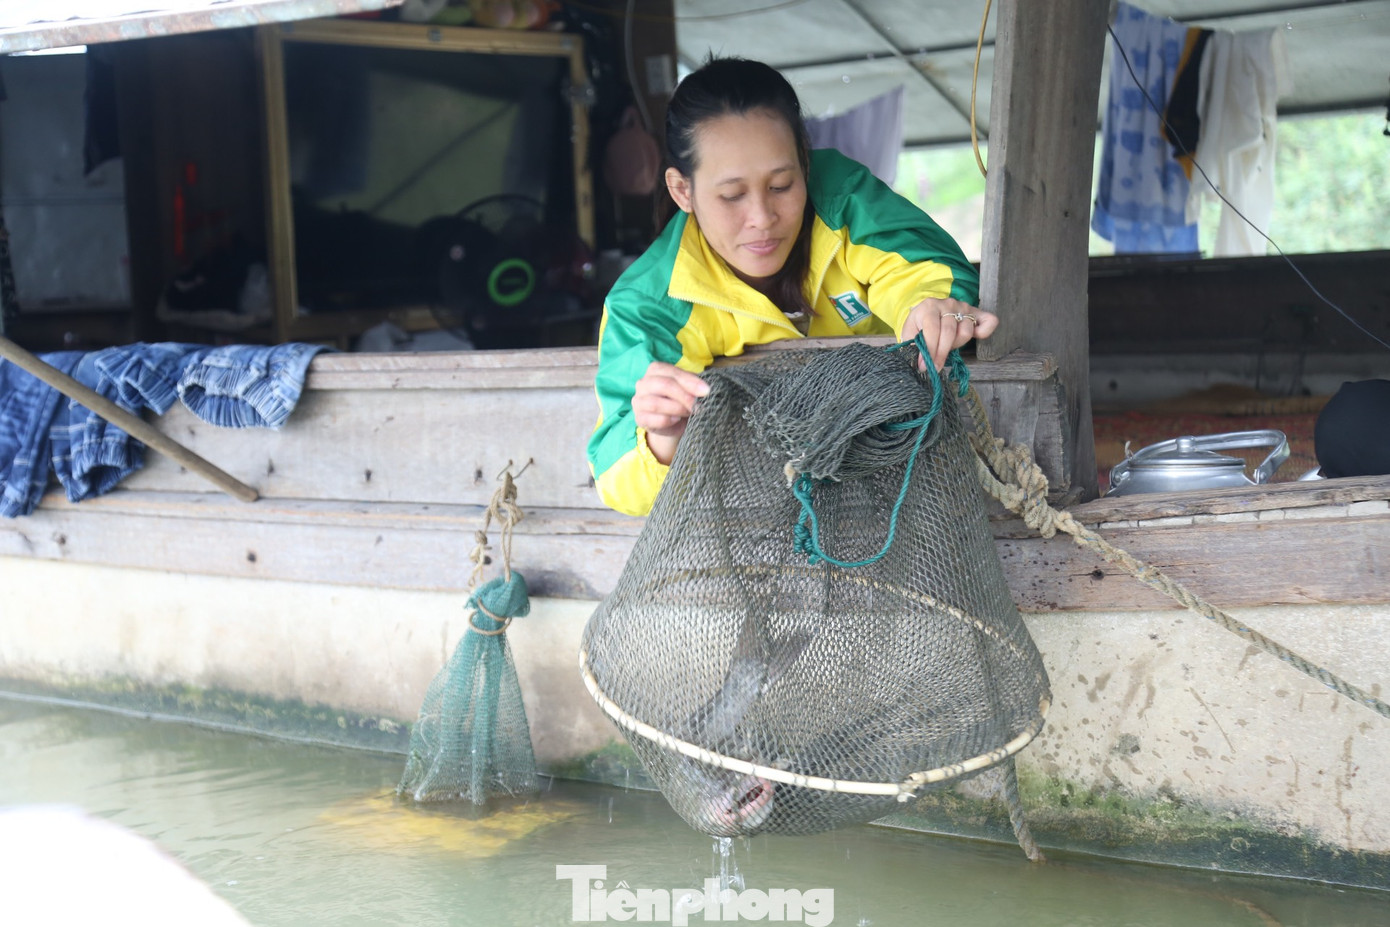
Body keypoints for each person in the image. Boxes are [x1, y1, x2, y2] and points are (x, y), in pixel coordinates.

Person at [587, 57, 997, 516]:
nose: (762, 218)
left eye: (781, 185)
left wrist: (927, 307)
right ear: (682, 191)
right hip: (763, 520)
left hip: (923, 492)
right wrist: (659, 438)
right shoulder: (649, 304)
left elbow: (926, 269)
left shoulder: (842, 199)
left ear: (804, 160)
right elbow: (615, 476)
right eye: (732, 196)